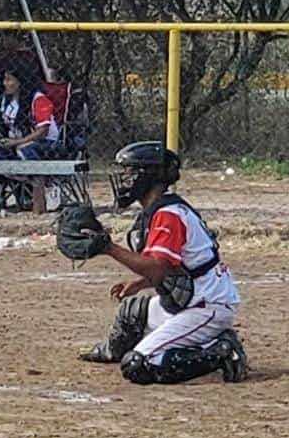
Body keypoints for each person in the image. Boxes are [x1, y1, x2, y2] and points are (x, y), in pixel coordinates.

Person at [70, 141, 248, 385]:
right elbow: (176, 264)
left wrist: (108, 248)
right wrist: (140, 283)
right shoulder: (162, 209)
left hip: (206, 306)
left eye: (131, 173)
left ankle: (220, 352)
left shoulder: (168, 215)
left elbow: (158, 267)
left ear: (149, 177)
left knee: (138, 365)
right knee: (132, 314)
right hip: (194, 298)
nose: (125, 180)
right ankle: (114, 350)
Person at [0, 66, 61, 161]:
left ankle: (33, 173)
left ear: (20, 82)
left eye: (9, 80)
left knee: (24, 150)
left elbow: (42, 132)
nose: (4, 83)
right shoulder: (4, 99)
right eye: (4, 79)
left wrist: (16, 142)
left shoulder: (38, 99)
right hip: (17, 141)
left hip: (43, 142)